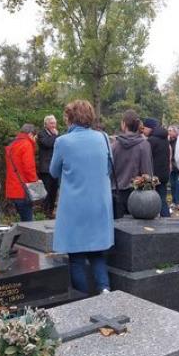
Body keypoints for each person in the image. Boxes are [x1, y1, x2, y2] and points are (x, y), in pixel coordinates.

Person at [50, 100, 113, 294]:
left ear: (70, 118)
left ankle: (83, 298)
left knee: (76, 256)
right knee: (97, 252)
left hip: (75, 205)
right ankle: (105, 290)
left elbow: (53, 171)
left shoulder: (62, 141)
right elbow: (109, 168)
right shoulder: (103, 138)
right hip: (99, 203)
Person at [111, 110, 153, 218]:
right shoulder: (144, 145)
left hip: (116, 193)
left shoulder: (114, 146)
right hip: (138, 194)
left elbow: (109, 171)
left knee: (118, 230)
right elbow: (147, 173)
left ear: (124, 124)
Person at [5, 123, 39, 222]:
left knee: (21, 222)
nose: (35, 140)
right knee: (28, 223)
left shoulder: (12, 145)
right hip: (23, 190)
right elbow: (29, 169)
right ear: (30, 135)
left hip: (12, 189)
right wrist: (36, 185)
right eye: (35, 137)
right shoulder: (26, 145)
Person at [143, 118, 171, 218]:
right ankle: (167, 219)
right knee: (162, 199)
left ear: (150, 128)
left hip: (154, 175)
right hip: (164, 174)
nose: (143, 130)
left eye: (144, 128)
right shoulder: (164, 139)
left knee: (152, 200)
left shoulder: (151, 141)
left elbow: (147, 158)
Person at [37, 115, 60, 219]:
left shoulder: (57, 135)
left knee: (54, 190)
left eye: (54, 123)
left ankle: (50, 211)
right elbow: (48, 143)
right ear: (46, 124)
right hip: (45, 168)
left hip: (55, 167)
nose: (53, 125)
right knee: (47, 190)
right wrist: (55, 136)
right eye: (51, 123)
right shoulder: (41, 134)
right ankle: (44, 211)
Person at [167, 125, 179, 211]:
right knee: (173, 184)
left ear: (175, 132)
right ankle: (174, 201)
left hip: (178, 166)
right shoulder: (168, 141)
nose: (169, 132)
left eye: (171, 130)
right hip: (171, 166)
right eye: (169, 130)